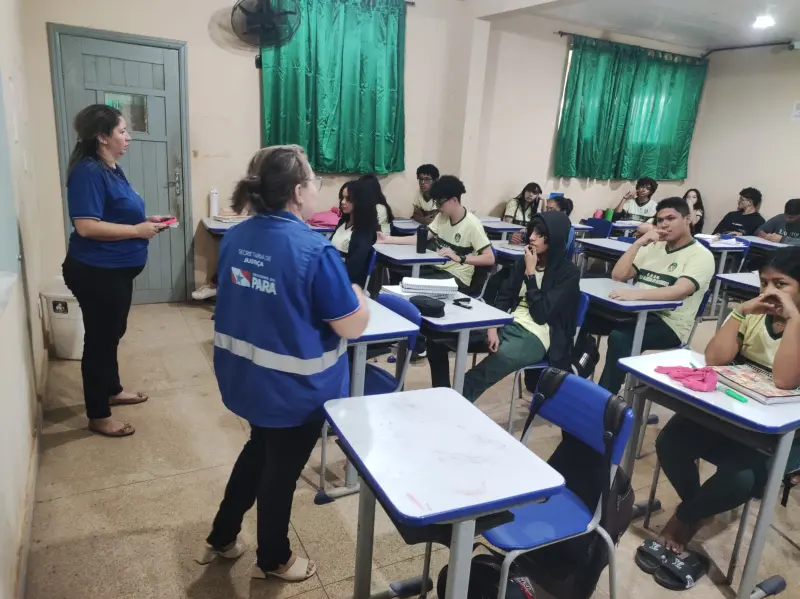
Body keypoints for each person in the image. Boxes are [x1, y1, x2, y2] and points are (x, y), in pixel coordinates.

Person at [199, 145, 369, 582]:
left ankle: (222, 534)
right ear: (297, 191)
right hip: (296, 394)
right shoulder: (314, 250)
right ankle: (273, 558)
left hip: (249, 382)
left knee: (258, 451)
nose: (318, 188)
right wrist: (361, 299)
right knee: (280, 474)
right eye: (314, 180)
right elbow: (350, 326)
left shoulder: (236, 235)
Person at [654, 247, 800, 555]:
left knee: (740, 479)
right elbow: (714, 360)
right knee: (671, 442)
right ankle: (699, 508)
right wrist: (739, 312)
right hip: (737, 411)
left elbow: (785, 381)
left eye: (781, 284)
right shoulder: (757, 314)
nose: (769, 292)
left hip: (782, 433)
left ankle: (685, 517)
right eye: (763, 283)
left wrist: (794, 319)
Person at [61, 104, 168, 438]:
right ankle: (99, 414)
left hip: (115, 271)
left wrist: (144, 222)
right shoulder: (88, 172)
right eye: (122, 131)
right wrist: (137, 232)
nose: (128, 137)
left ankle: (112, 388)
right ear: (102, 136)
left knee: (111, 334)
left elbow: (115, 213)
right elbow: (87, 227)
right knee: (100, 340)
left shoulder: (110, 168)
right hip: (96, 271)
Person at [427, 212, 580, 402]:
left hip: (536, 335)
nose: (532, 237)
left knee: (473, 378)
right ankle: (441, 397)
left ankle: (445, 412)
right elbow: (505, 296)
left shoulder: (568, 273)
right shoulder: (524, 260)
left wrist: (531, 274)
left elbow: (541, 314)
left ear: (554, 240)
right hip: (508, 323)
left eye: (541, 235)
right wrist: (493, 326)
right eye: (533, 231)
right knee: (436, 340)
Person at [579, 197, 715, 394]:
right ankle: (579, 366)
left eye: (671, 218)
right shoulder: (654, 248)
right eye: (660, 220)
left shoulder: (701, 255)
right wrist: (639, 243)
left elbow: (679, 290)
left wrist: (636, 295)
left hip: (669, 323)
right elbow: (618, 275)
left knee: (620, 338)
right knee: (580, 315)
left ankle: (605, 399)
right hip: (635, 314)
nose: (664, 224)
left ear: (687, 220)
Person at [378, 175, 495, 292]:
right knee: (398, 274)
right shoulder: (442, 217)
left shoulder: (472, 224)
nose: (438, 208)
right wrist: (388, 239)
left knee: (412, 285)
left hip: (457, 277)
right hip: (437, 267)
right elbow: (420, 239)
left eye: (440, 203)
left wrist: (460, 258)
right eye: (436, 203)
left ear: (454, 200)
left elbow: (489, 258)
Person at [331, 181, 378, 287]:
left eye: (348, 199)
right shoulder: (342, 223)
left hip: (347, 285)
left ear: (360, 201)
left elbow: (353, 269)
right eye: (342, 198)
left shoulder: (365, 232)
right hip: (333, 276)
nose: (343, 202)